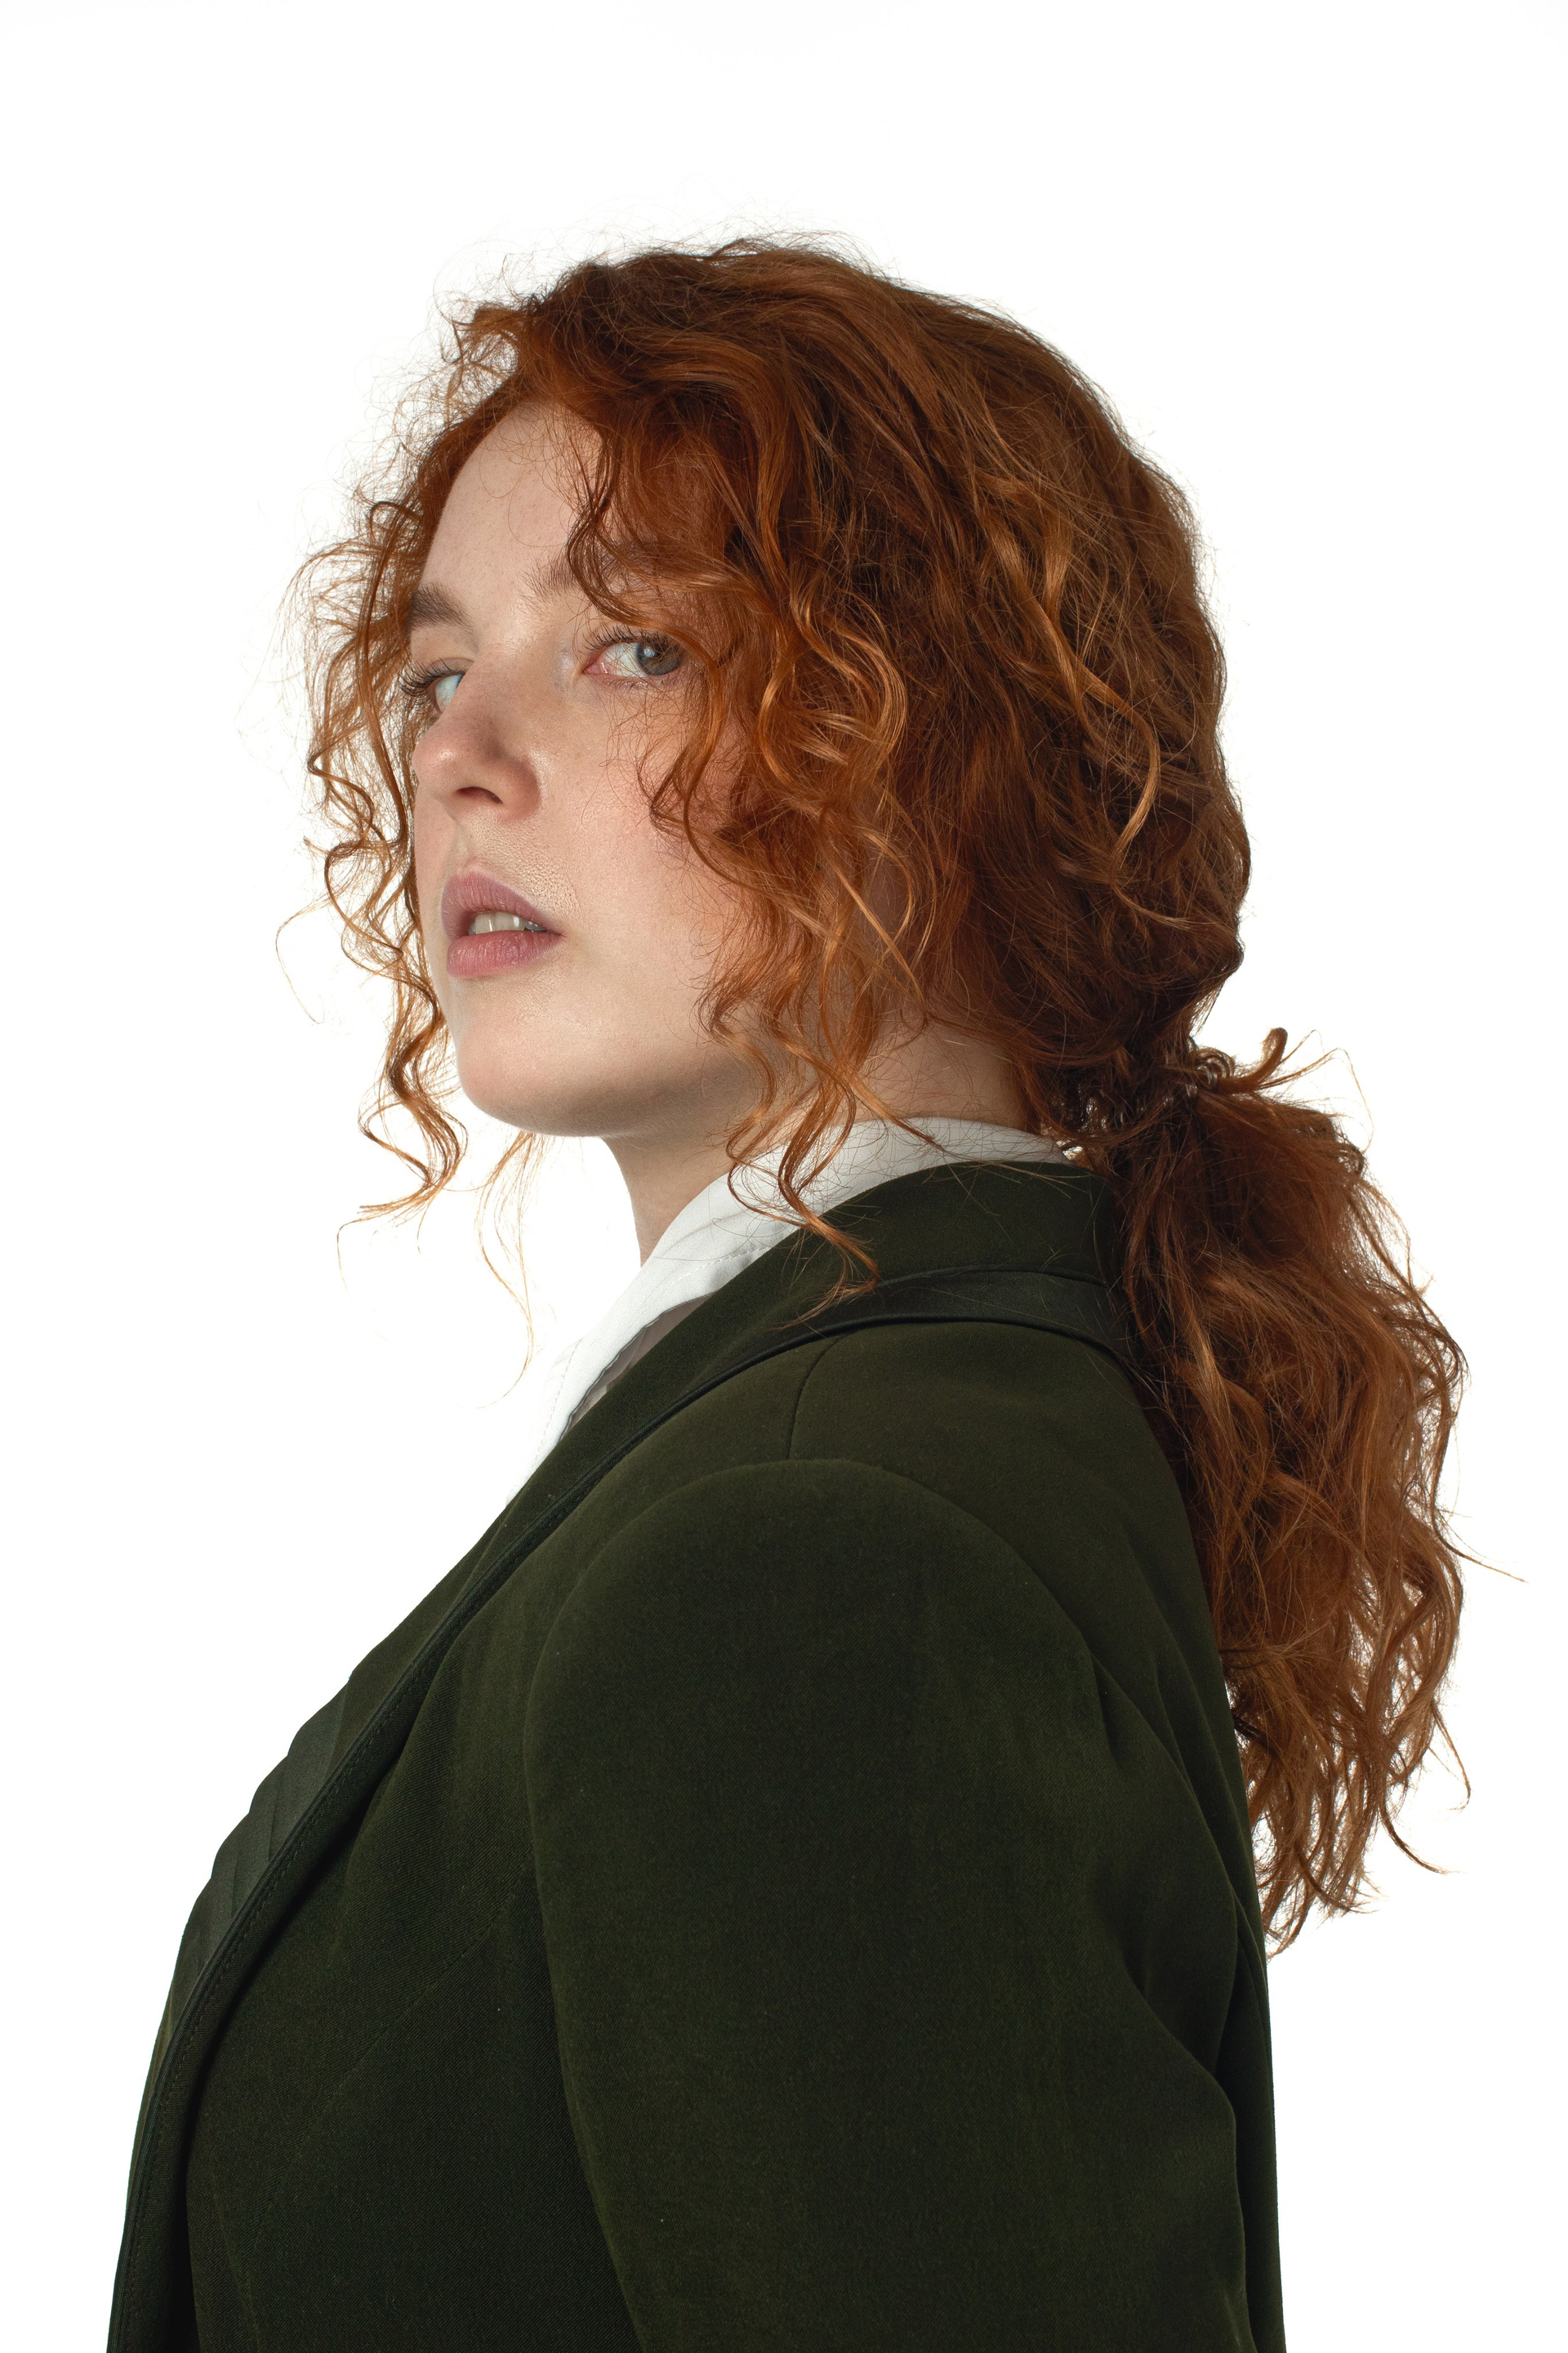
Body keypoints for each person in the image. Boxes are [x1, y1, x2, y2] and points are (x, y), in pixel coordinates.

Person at [107, 240, 1463, 2353]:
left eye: (633, 647)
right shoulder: (874, 1437)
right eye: (436, 673)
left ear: (952, 749)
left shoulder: (814, 1544)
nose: (460, 753)